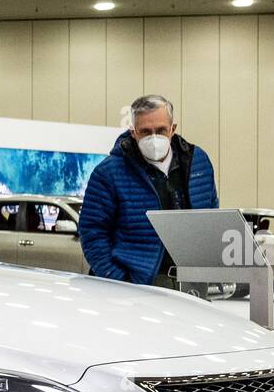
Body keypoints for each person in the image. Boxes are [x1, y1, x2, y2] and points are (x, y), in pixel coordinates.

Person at [78, 94, 219, 289]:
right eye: (145, 131)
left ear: (173, 129)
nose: (154, 138)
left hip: (191, 281)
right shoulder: (109, 173)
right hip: (137, 284)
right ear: (133, 132)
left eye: (161, 130)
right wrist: (118, 280)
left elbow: (211, 212)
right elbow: (92, 232)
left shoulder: (198, 161)